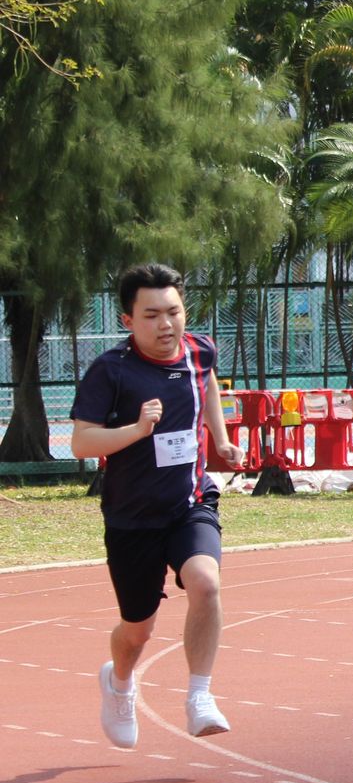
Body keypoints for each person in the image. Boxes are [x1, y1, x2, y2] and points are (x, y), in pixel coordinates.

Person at [69, 264, 243, 749]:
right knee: (137, 631)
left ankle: (200, 696)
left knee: (206, 582)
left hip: (189, 501)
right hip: (132, 518)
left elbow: (206, 381)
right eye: (151, 315)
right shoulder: (112, 370)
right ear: (128, 320)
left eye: (174, 312)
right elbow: (81, 442)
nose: (166, 325)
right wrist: (136, 430)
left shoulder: (199, 350)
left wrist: (220, 438)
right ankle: (119, 683)